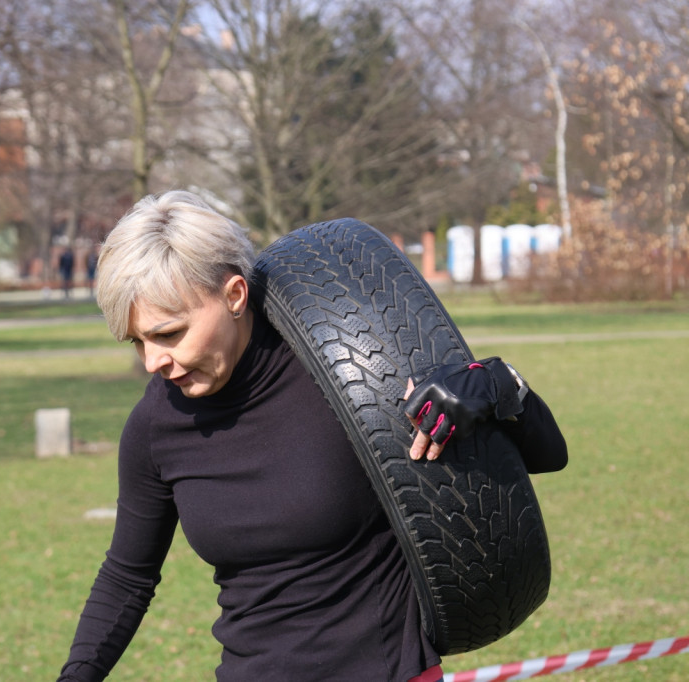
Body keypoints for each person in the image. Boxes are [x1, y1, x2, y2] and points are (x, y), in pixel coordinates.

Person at [57, 191, 568, 682]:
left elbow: (549, 455)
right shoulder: (155, 425)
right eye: (137, 340)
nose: (153, 361)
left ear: (234, 295)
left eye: (168, 333)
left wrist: (500, 387)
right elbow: (128, 576)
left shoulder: (359, 371)